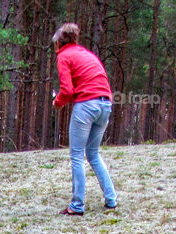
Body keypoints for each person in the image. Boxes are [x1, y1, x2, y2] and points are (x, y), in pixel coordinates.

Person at [52, 23, 118, 216]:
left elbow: (67, 90)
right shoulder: (85, 53)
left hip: (86, 105)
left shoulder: (64, 56)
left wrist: (57, 102)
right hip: (105, 103)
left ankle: (77, 205)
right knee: (93, 154)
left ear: (58, 43)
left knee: (77, 155)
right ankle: (111, 199)